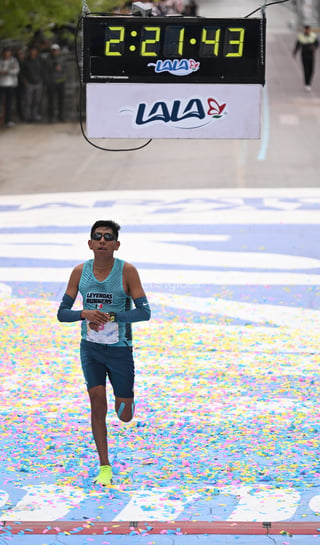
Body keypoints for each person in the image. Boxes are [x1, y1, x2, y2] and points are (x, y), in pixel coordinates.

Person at [57, 220, 151, 486]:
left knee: (124, 415)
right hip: (91, 349)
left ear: (116, 245)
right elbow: (61, 314)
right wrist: (83, 314)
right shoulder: (79, 272)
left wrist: (112, 315)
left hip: (120, 351)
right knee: (97, 401)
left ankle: (127, 404)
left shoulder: (127, 272)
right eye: (97, 237)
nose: (102, 241)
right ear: (89, 244)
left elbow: (144, 312)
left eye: (108, 237)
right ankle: (105, 466)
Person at [20, 45, 45, 122]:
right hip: (29, 83)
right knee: (28, 101)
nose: (33, 52)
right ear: (29, 51)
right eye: (31, 50)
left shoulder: (39, 60)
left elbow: (43, 71)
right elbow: (21, 72)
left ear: (36, 52)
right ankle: (27, 117)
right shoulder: (25, 61)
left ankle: (35, 116)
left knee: (37, 100)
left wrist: (42, 80)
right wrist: (24, 80)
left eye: (34, 50)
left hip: (38, 83)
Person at [45, 44, 67, 122]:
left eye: (56, 50)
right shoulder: (48, 60)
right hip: (51, 82)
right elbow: (46, 71)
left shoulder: (63, 59)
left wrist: (60, 69)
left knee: (61, 100)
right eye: (53, 50)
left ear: (59, 51)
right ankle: (51, 117)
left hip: (61, 82)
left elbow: (66, 70)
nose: (55, 52)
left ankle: (61, 116)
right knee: (51, 100)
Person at [293, 25, 319, 91]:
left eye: (308, 30)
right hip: (304, 55)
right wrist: (295, 53)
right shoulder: (301, 37)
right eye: (306, 30)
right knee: (306, 70)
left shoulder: (313, 36)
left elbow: (317, 44)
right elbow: (297, 45)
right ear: (305, 30)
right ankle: (307, 84)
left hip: (311, 55)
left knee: (312, 70)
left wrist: (314, 47)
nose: (307, 31)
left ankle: (309, 82)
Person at [0, 47, 20, 127]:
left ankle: (8, 120)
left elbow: (16, 70)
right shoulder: (1, 60)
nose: (7, 54)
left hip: (11, 84)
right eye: (5, 52)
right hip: (1, 84)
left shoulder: (14, 60)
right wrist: (9, 70)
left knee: (9, 103)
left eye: (8, 52)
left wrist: (6, 71)